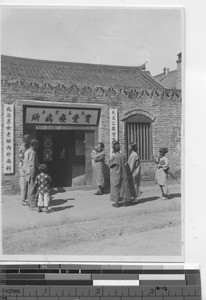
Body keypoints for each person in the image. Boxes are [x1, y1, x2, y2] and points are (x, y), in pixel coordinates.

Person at [109, 141, 131, 207]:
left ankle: (116, 203)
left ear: (114, 149)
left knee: (116, 188)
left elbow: (110, 165)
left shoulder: (114, 157)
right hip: (123, 174)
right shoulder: (122, 156)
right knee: (123, 187)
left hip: (116, 174)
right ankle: (124, 202)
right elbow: (126, 164)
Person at [24, 138, 40, 210]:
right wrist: (33, 174)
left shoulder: (27, 151)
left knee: (29, 188)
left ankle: (30, 202)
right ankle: (32, 205)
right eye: (37, 144)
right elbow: (32, 165)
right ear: (34, 144)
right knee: (32, 189)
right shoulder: (32, 152)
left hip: (27, 172)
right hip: (31, 173)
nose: (38, 146)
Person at [18, 134, 31, 205]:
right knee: (23, 184)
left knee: (26, 183)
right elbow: (21, 157)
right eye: (28, 140)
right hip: (23, 167)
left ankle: (25, 198)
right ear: (26, 140)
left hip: (25, 166)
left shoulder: (26, 146)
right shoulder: (23, 147)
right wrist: (25, 167)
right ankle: (22, 200)